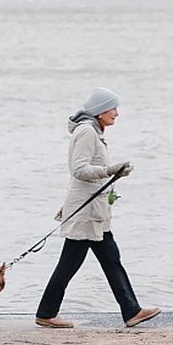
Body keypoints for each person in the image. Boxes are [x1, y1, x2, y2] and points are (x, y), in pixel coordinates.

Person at [35, 87, 161, 328]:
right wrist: (109, 170)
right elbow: (79, 170)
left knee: (111, 260)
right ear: (101, 110)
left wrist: (115, 175)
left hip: (95, 212)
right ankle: (46, 313)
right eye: (113, 108)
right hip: (85, 213)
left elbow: (91, 172)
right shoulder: (86, 132)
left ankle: (131, 311)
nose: (117, 113)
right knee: (71, 264)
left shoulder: (94, 131)